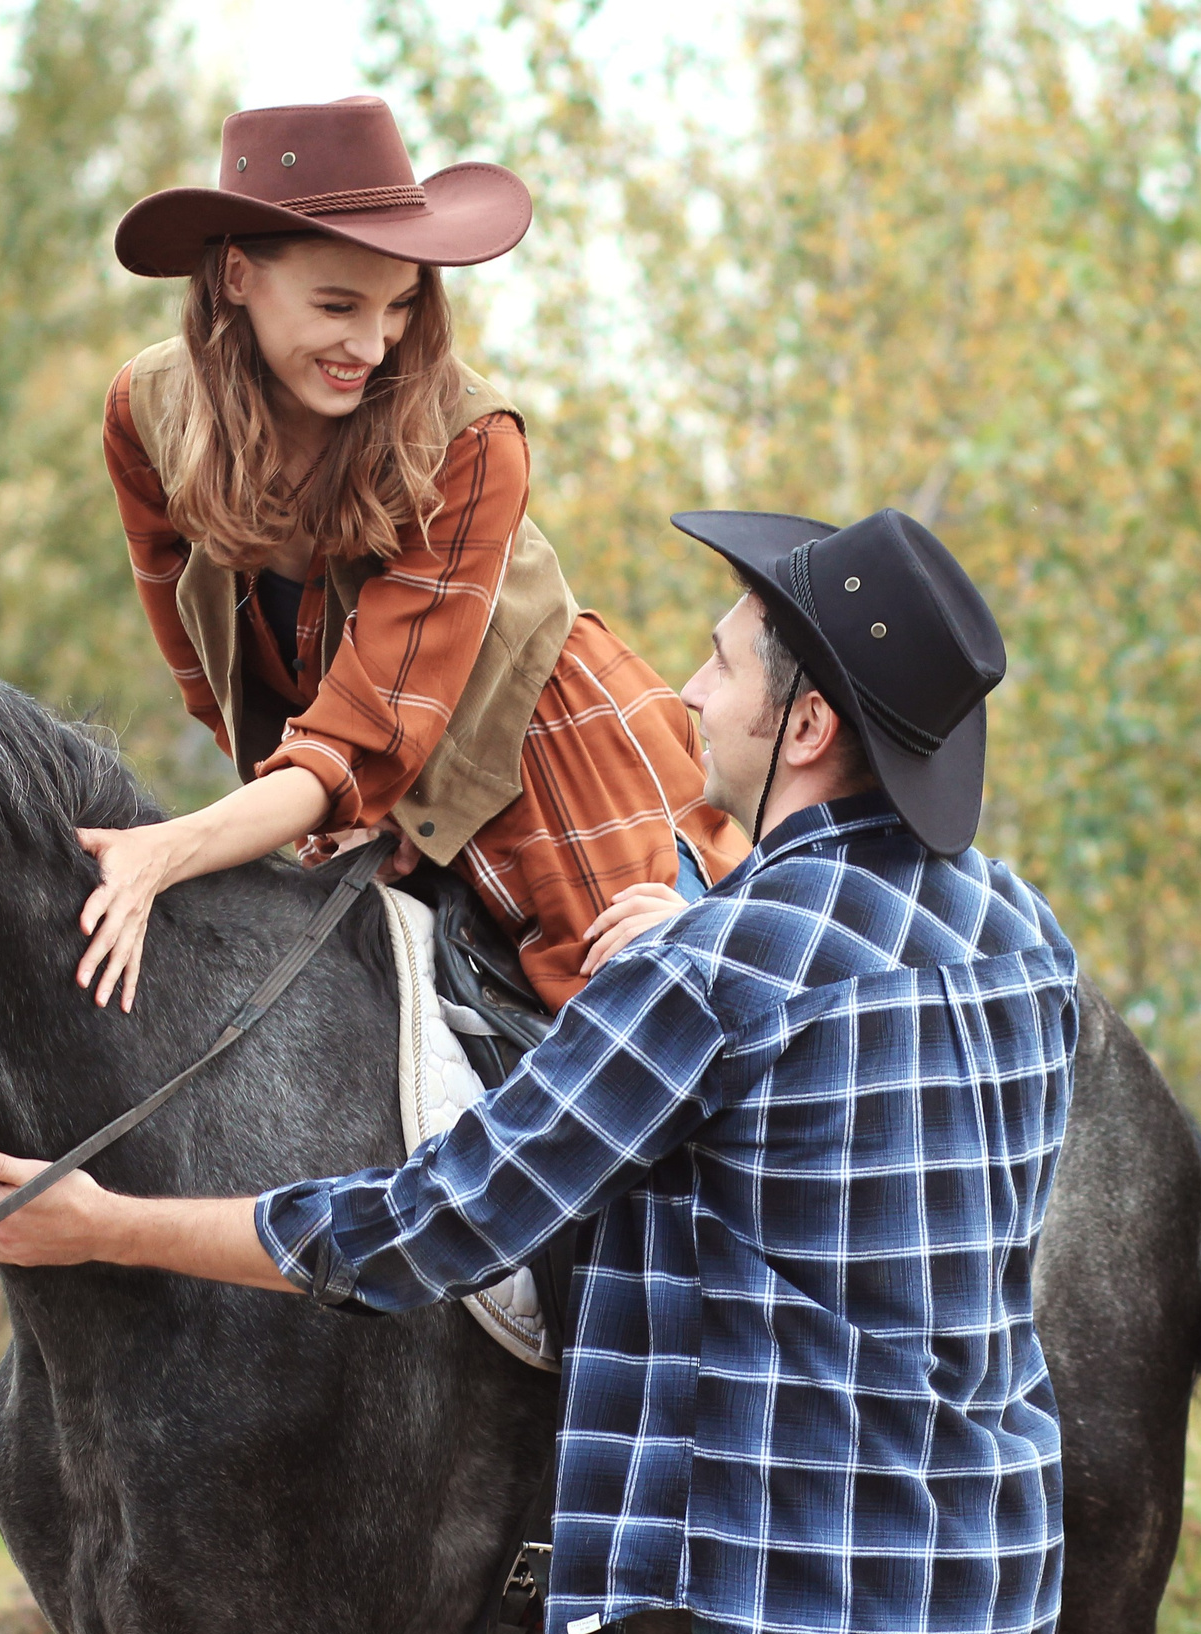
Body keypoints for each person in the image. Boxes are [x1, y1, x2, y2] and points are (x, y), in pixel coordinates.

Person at [0, 507, 1079, 1634]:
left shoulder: (714, 977)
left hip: (813, 1627)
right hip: (995, 1592)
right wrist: (704, 926)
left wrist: (101, 1226)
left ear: (805, 725)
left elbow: (432, 1225)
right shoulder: (1016, 930)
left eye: (721, 661)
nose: (686, 693)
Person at [83, 95, 742, 1013]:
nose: (371, 343)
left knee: (642, 1048)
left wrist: (171, 846)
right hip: (360, 782)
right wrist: (335, 811)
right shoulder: (144, 413)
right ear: (237, 276)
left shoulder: (471, 441)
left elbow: (370, 734)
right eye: (337, 303)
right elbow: (212, 677)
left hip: (550, 762)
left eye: (399, 304)